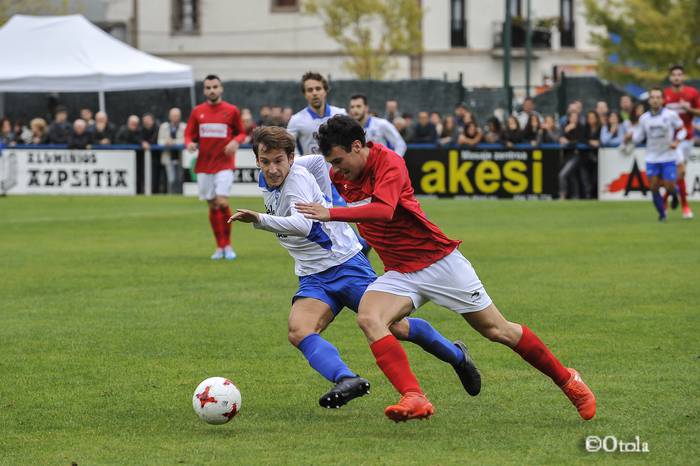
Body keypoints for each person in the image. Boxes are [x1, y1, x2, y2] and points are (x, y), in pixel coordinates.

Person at [295, 115, 596, 423]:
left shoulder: (390, 162)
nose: (336, 168)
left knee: (498, 330)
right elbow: (305, 167)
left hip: (438, 262)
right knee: (370, 318)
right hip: (400, 272)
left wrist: (329, 213)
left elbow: (384, 211)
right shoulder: (338, 174)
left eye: (339, 160)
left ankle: (569, 380)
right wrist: (279, 161)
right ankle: (414, 397)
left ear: (357, 146)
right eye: (331, 162)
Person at [228, 126, 481, 408]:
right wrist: (325, 187)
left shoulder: (295, 181)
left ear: (290, 157)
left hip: (346, 265)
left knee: (395, 327)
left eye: (279, 161)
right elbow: (314, 162)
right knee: (299, 330)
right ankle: (347, 379)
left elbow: (303, 225)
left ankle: (457, 356)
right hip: (313, 275)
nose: (273, 169)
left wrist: (259, 219)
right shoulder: (276, 175)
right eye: (266, 162)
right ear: (258, 161)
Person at [185, 74, 246, 260]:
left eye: (215, 86)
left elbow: (242, 132)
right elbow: (189, 135)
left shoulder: (231, 110)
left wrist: (236, 141)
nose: (212, 90)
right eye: (208, 87)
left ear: (221, 88)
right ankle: (219, 247)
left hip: (224, 164)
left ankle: (228, 246)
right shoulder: (197, 112)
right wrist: (190, 143)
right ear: (204, 90)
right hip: (204, 165)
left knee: (222, 202)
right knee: (212, 205)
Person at [625, 88, 686, 221]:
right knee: (653, 187)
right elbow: (639, 137)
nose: (655, 100)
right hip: (652, 157)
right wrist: (631, 137)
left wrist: (676, 141)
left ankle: (674, 194)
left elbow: (682, 130)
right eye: (653, 97)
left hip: (668, 155)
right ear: (649, 100)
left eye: (658, 97)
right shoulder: (644, 118)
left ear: (662, 100)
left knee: (669, 185)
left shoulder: (670, 115)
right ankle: (662, 215)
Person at [664, 64, 698, 219]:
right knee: (679, 172)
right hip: (672, 140)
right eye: (674, 75)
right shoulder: (665, 94)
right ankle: (684, 207)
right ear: (670, 78)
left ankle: (666, 202)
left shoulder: (692, 93)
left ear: (683, 77)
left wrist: (688, 109)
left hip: (687, 139)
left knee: (679, 175)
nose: (677, 77)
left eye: (679, 74)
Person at [287, 71, 346, 155]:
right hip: (309, 168)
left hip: (337, 168)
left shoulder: (341, 114)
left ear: (325, 91)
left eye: (318, 89)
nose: (314, 93)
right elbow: (288, 146)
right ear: (305, 94)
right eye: (310, 90)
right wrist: (300, 163)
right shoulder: (296, 120)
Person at [158, 107, 187, 194]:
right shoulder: (164, 127)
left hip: (181, 157)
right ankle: (171, 195)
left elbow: (186, 140)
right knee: (171, 178)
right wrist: (166, 142)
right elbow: (159, 141)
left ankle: (181, 195)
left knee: (180, 178)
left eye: (177, 116)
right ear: (169, 116)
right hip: (168, 156)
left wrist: (173, 142)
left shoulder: (184, 126)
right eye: (173, 116)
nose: (175, 118)